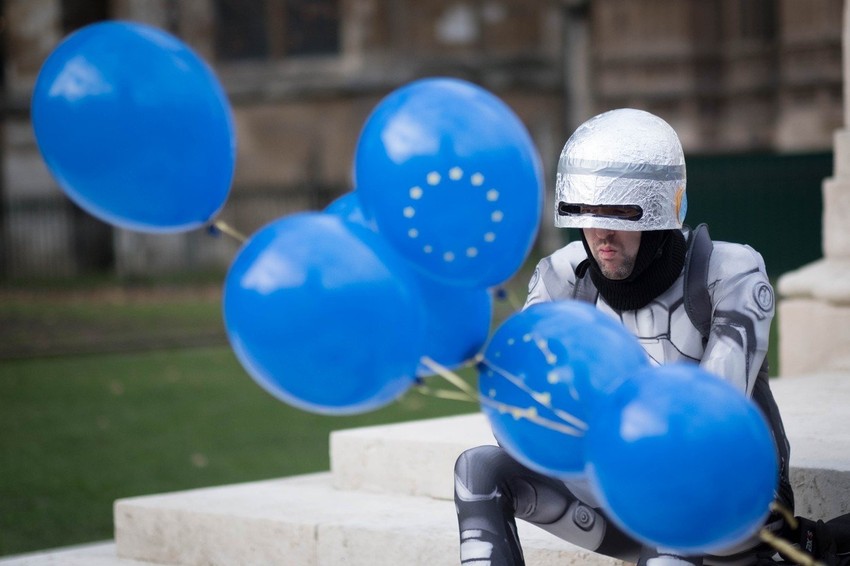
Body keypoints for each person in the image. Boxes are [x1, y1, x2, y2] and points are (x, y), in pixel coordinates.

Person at [453, 108, 797, 566]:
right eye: (586, 211)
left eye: (620, 212)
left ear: (661, 210)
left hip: (721, 505)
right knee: (478, 471)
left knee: (677, 476)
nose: (601, 234)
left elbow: (713, 424)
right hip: (615, 501)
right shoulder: (562, 277)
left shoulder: (729, 272)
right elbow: (520, 414)